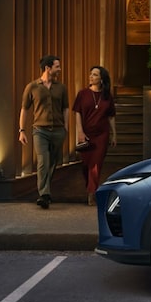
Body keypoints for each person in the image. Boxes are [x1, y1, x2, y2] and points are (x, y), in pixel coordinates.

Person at [19, 55, 67, 209]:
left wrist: (65, 128)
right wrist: (22, 130)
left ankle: (46, 190)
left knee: (53, 162)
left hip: (58, 130)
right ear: (48, 68)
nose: (59, 69)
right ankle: (44, 194)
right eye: (57, 66)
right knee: (43, 161)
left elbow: (65, 108)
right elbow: (24, 109)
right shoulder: (32, 87)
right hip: (40, 131)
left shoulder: (61, 88)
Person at [73, 65, 117, 206]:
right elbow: (77, 113)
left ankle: (92, 192)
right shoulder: (83, 94)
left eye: (95, 75)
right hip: (86, 134)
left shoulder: (107, 96)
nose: (91, 77)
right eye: (91, 74)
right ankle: (90, 186)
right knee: (86, 165)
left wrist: (114, 134)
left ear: (101, 79)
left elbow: (111, 116)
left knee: (96, 164)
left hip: (102, 135)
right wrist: (80, 132)